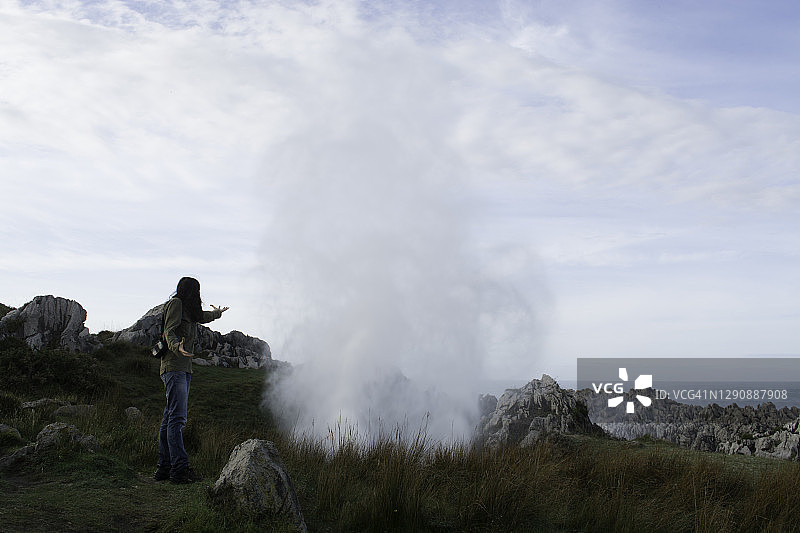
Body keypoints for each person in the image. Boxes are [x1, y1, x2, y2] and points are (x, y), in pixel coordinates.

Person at [154, 277, 228, 484]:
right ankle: (179, 469)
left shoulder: (189, 309)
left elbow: (201, 317)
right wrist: (176, 345)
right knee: (177, 419)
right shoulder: (176, 304)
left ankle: (164, 469)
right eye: (196, 290)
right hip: (173, 366)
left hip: (183, 368)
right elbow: (169, 330)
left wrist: (218, 314)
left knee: (169, 418)